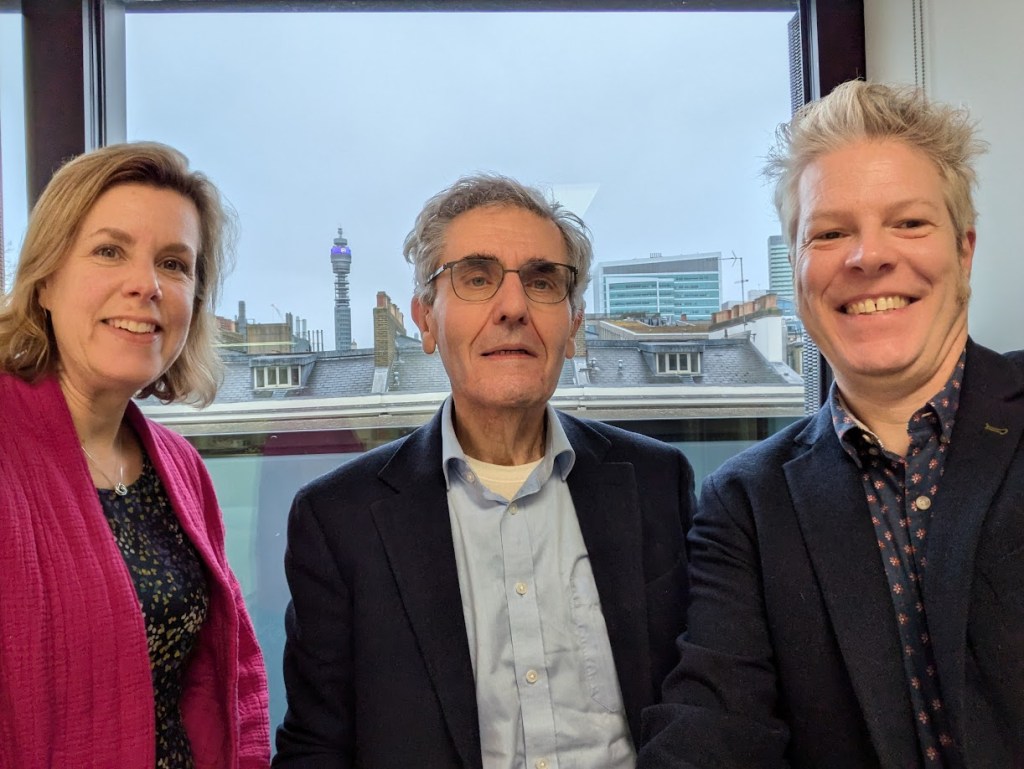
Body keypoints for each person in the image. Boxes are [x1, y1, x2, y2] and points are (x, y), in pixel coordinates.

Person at [639, 80, 1024, 768]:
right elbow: (715, 728)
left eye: (908, 222)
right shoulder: (745, 505)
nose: (867, 256)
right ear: (796, 272)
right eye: (830, 231)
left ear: (965, 252)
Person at [274, 174, 694, 768]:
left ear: (573, 324)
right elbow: (316, 749)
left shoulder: (659, 485)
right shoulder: (339, 522)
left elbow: (700, 707)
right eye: (476, 278)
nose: (514, 307)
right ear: (424, 320)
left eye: (544, 281)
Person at [0, 142, 271, 767]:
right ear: (46, 278)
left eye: (174, 264)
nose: (146, 285)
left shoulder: (179, 467)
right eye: (109, 251)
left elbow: (223, 680)